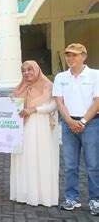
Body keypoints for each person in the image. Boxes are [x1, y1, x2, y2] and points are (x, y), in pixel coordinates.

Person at [53, 43, 99, 216]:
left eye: (74, 55)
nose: (70, 58)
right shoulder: (61, 77)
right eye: (68, 55)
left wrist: (83, 121)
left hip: (92, 123)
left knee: (93, 165)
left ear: (84, 56)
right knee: (70, 165)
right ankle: (72, 198)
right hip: (68, 123)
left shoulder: (95, 75)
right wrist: (70, 121)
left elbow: (97, 101)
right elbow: (59, 101)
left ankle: (95, 200)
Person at [10, 60, 59, 207]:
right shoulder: (19, 88)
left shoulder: (47, 86)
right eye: (24, 70)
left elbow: (54, 104)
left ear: (37, 70)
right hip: (22, 128)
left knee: (40, 157)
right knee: (24, 157)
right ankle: (24, 193)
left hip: (40, 127)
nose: (26, 73)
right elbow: (11, 104)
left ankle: (42, 196)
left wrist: (34, 110)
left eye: (30, 70)